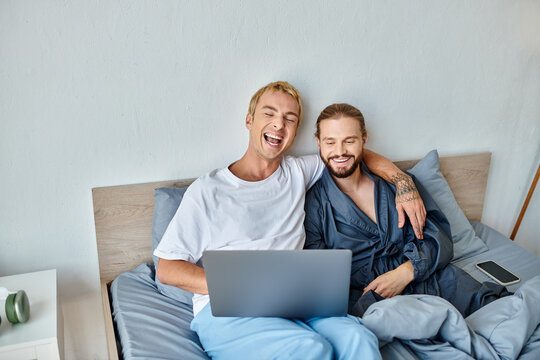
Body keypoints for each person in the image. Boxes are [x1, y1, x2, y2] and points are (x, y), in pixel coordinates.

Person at [154, 82, 427, 360]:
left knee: (359, 338)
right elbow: (167, 268)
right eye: (268, 114)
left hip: (296, 299)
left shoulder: (299, 170)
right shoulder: (209, 190)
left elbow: (347, 154)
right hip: (228, 310)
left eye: (289, 119)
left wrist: (402, 181)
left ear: (296, 131)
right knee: (310, 348)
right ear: (249, 120)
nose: (278, 125)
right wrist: (242, 284)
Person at [304, 103, 511, 318]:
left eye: (349, 141)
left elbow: (437, 237)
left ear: (363, 140)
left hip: (426, 276)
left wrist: (406, 272)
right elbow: (319, 273)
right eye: (330, 142)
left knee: (503, 311)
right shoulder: (315, 205)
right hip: (368, 297)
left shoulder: (401, 185)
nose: (340, 151)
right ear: (319, 143)